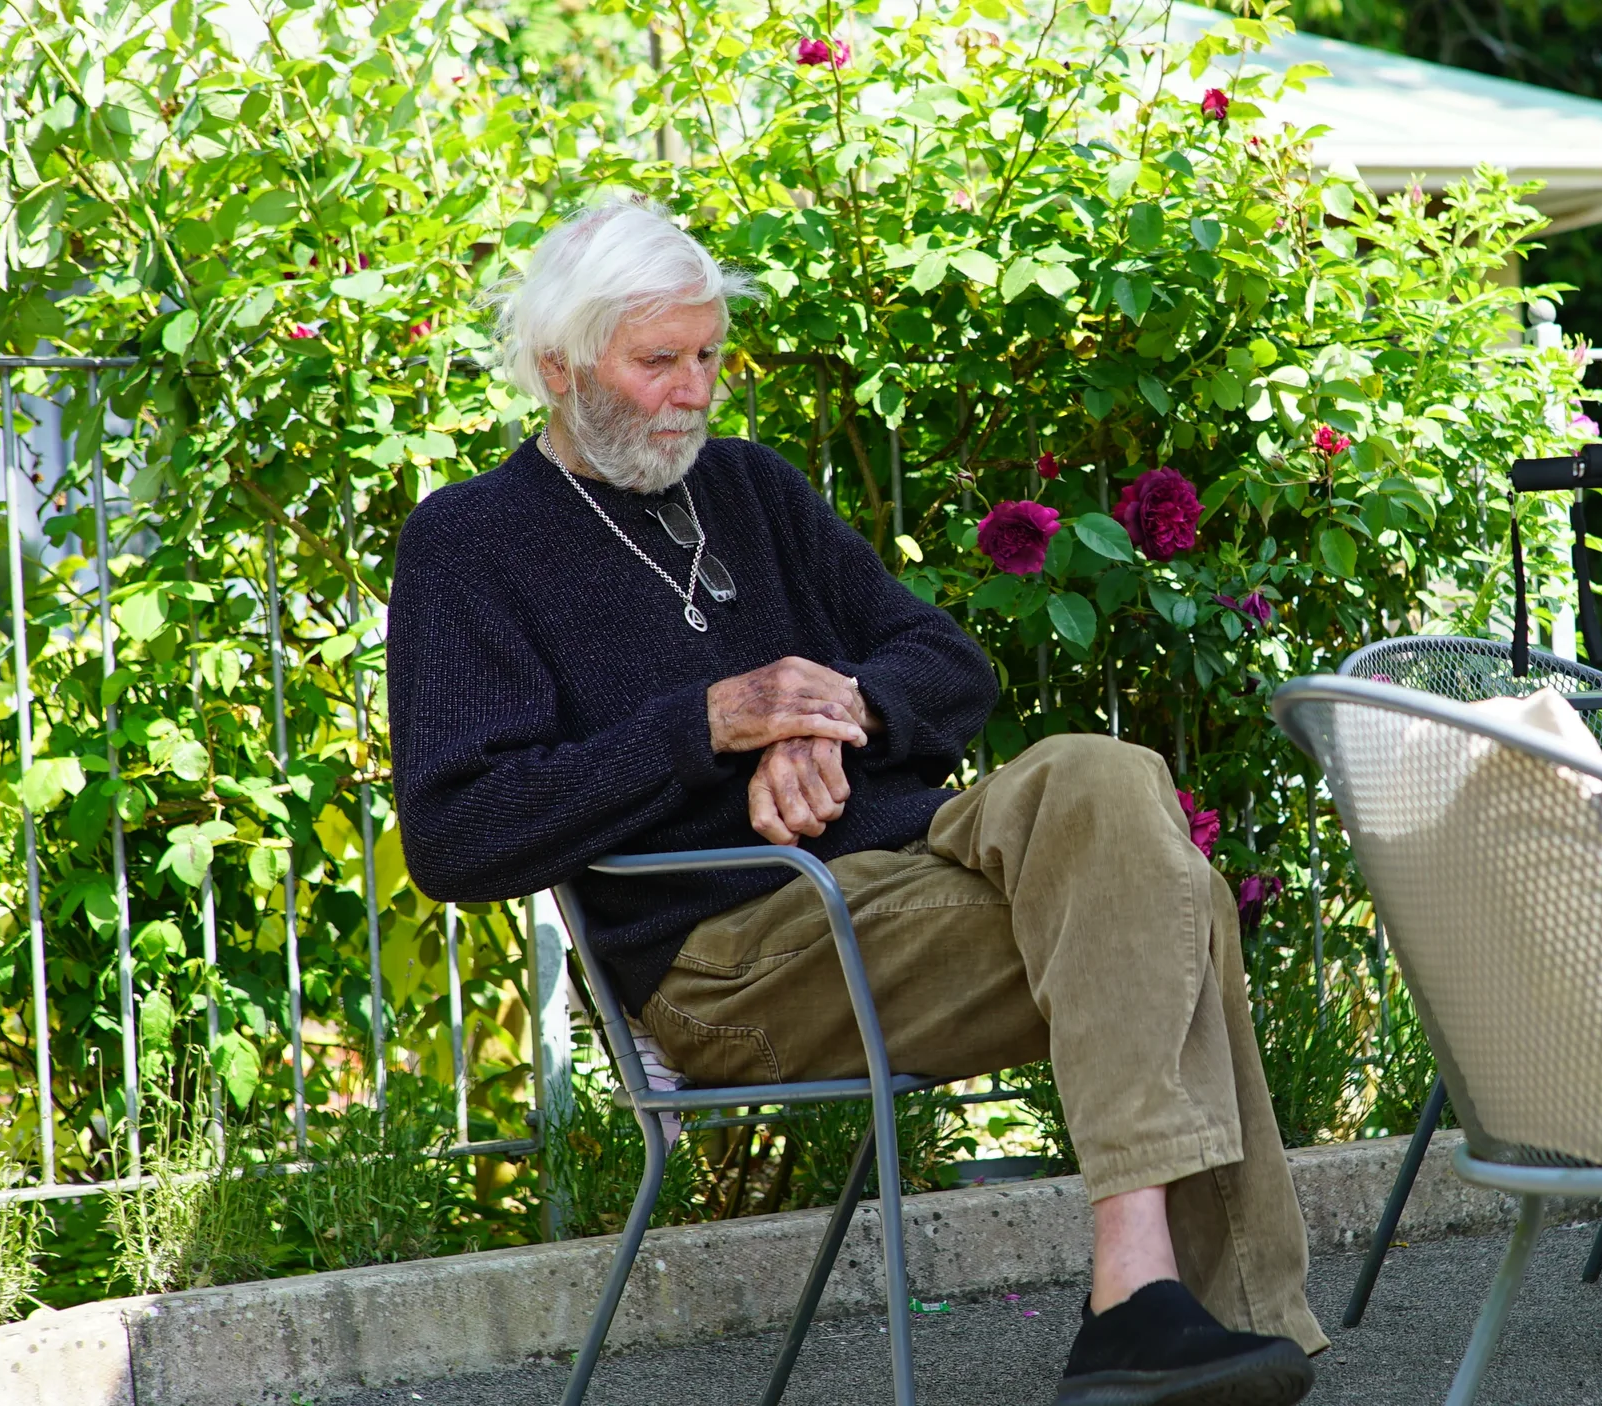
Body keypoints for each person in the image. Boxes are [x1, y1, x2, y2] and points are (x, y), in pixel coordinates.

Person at [386, 197, 1323, 1406]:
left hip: (900, 866)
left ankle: (1145, 1303)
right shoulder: (470, 542)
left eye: (709, 356)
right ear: (559, 366)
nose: (693, 391)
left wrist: (834, 715)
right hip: (726, 956)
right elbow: (459, 830)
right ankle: (1180, 1315)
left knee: (1101, 775)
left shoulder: (750, 489)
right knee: (1171, 898)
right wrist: (708, 724)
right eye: (658, 360)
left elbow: (947, 662)